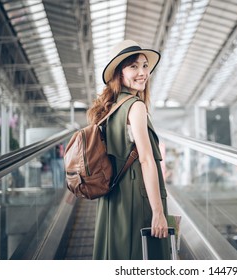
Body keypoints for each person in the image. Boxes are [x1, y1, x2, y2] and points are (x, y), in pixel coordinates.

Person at [87, 39, 170, 260]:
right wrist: (158, 212)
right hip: (136, 196)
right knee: (141, 257)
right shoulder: (136, 106)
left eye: (144, 65)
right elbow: (146, 160)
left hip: (113, 197)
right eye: (133, 66)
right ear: (119, 74)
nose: (142, 72)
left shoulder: (110, 109)